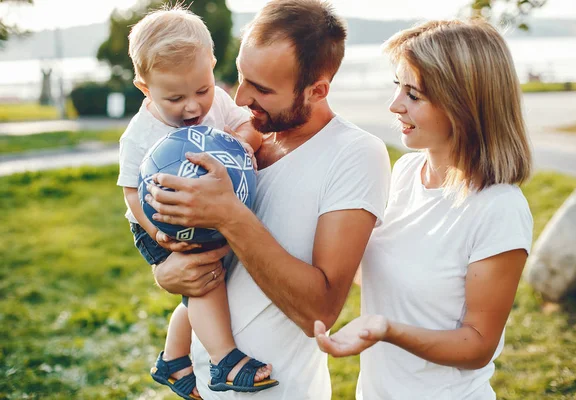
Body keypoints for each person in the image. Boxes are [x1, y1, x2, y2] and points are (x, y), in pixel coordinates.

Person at [143, 0, 391, 398]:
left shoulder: (354, 153)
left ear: (317, 90)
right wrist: (166, 272)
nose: (240, 98)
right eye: (241, 78)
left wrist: (230, 215)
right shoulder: (234, 141)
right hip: (201, 384)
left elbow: (320, 311)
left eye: (261, 89)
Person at [313, 18, 534, 399]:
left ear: (463, 104)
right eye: (398, 87)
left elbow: (477, 345)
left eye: (414, 95)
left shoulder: (499, 209)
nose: (395, 105)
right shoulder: (407, 171)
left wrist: (387, 330)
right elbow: (390, 274)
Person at [116, 6, 275, 399]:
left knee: (199, 285)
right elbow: (131, 191)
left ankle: (172, 359)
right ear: (144, 86)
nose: (192, 107)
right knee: (204, 280)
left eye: (201, 90)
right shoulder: (140, 135)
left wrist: (241, 145)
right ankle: (225, 360)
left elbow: (244, 125)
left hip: (205, 209)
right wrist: (160, 233)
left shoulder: (216, 101)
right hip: (161, 222)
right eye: (175, 97)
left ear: (212, 67)